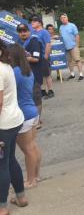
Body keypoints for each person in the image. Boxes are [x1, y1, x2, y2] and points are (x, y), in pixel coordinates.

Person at [8, 44, 42, 189]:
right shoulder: (27, 70)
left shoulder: (14, 72)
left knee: (27, 149)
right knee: (32, 146)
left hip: (23, 115)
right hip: (32, 112)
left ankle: (30, 180)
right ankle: (35, 176)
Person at [0, 40, 27, 215]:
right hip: (14, 120)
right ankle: (21, 197)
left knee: (2, 164)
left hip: (4, 124)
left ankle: (2, 207)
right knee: (10, 160)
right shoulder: (6, 66)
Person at [16, 23, 43, 127]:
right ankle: (29, 118)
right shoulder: (17, 43)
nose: (23, 33)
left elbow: (36, 59)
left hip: (34, 74)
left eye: (25, 31)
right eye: (20, 31)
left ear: (29, 31)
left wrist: (21, 58)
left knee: (36, 98)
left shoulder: (34, 41)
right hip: (22, 76)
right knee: (25, 98)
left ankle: (38, 121)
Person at [30, 16, 54, 99]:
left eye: (34, 21)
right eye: (31, 21)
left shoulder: (44, 32)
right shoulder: (32, 32)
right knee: (38, 75)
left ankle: (51, 91)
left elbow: (48, 44)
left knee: (46, 74)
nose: (32, 23)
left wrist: (46, 56)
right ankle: (42, 91)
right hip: (35, 57)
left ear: (39, 23)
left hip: (43, 56)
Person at [59, 13, 84, 80]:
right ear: (60, 19)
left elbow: (77, 35)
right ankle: (72, 74)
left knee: (77, 60)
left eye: (64, 17)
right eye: (61, 18)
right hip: (66, 47)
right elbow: (61, 37)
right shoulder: (61, 27)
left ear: (67, 18)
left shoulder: (72, 25)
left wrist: (77, 45)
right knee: (69, 61)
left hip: (73, 46)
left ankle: (81, 74)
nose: (63, 19)